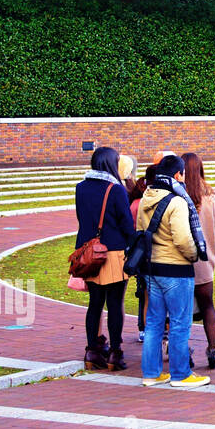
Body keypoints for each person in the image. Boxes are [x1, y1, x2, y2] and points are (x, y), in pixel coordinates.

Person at [137, 155, 211, 389]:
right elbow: (182, 239)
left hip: (151, 267)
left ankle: (151, 373)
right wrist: (192, 255)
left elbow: (141, 231)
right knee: (180, 322)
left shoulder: (146, 197)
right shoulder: (177, 201)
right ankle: (180, 374)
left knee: (154, 323)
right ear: (178, 175)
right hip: (175, 269)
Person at [74, 146, 136, 371]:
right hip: (113, 254)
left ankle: (92, 350)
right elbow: (127, 225)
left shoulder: (80, 188)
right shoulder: (116, 189)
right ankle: (115, 353)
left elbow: (82, 219)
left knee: (95, 304)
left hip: (88, 254)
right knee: (115, 304)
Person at [183, 152, 215, 369]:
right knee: (208, 305)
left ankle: (184, 350)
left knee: (182, 310)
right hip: (205, 259)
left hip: (182, 260)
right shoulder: (210, 196)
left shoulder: (179, 197)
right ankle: (213, 349)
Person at [128, 174, 149, 343]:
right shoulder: (142, 205)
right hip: (145, 253)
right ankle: (145, 327)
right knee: (146, 294)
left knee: (142, 292)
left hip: (137, 254)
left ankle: (142, 328)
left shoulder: (133, 204)